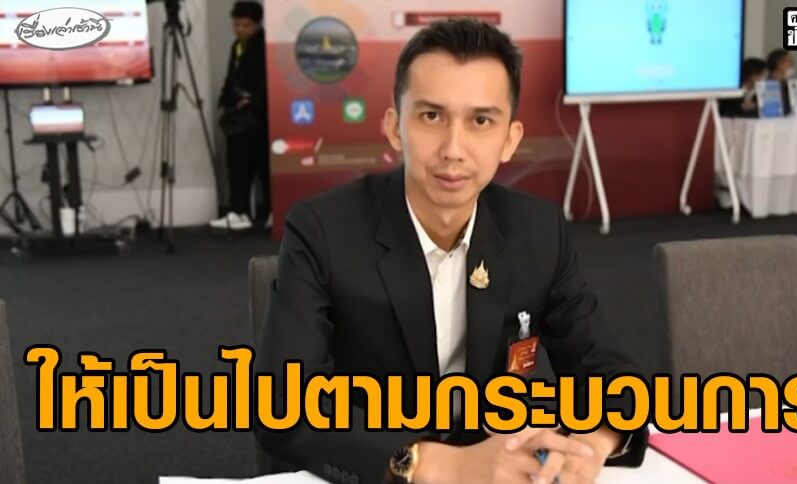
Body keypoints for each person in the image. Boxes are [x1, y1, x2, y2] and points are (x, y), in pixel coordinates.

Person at [256, 19, 648, 483]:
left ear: (509, 140)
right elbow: (282, 405)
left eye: (481, 121)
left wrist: (594, 442)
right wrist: (437, 464)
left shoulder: (538, 231)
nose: (453, 149)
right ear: (394, 127)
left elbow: (608, 371)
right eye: (431, 117)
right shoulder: (322, 230)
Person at [210, 1, 270, 231]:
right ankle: (238, 211)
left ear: (257, 24)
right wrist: (226, 100)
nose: (240, 30)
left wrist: (254, 101)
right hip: (238, 118)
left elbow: (268, 81)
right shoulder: (237, 46)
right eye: (236, 25)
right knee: (236, 167)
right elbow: (231, 78)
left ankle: (271, 212)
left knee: (264, 167)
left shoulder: (265, 46)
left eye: (246, 25)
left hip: (260, 118)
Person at [766, 48, 795, 115]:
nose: (792, 66)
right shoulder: (768, 85)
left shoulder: (786, 84)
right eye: (790, 62)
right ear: (779, 63)